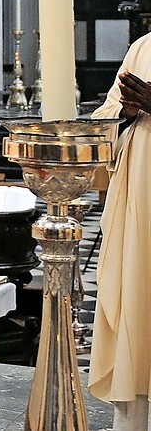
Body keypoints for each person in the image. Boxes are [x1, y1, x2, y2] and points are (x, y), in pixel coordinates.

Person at [90, 39, 151, 430]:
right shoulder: (144, 48)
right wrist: (126, 112)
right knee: (137, 308)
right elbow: (106, 116)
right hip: (140, 202)